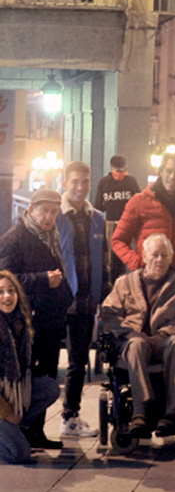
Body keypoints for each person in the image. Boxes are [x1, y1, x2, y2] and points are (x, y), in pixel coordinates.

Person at [99, 234, 175, 438]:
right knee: (137, 344)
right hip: (132, 342)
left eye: (164, 255)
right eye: (155, 255)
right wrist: (129, 331)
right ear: (144, 256)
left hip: (165, 341)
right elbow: (108, 312)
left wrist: (164, 333)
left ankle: (172, 411)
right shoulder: (124, 283)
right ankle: (140, 410)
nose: (159, 260)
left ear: (171, 258)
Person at [0, 188, 74, 450]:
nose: (49, 217)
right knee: (29, 377)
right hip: (28, 325)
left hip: (48, 323)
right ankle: (18, 431)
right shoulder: (15, 239)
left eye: (54, 212)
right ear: (31, 210)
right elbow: (6, 280)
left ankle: (35, 432)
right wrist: (43, 279)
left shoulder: (50, 237)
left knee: (46, 375)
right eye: (44, 211)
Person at [56, 161, 108, 439]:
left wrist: (103, 296)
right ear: (65, 183)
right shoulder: (54, 214)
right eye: (74, 181)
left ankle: (70, 418)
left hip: (86, 302)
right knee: (45, 362)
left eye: (85, 182)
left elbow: (104, 260)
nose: (80, 187)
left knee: (78, 363)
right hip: (57, 302)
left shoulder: (97, 218)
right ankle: (31, 421)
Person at [112, 151, 175, 281]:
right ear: (161, 172)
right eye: (169, 171)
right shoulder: (139, 202)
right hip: (147, 281)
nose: (173, 176)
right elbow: (118, 240)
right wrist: (138, 264)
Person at [0, 271, 61, 463]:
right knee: (19, 454)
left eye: (11, 291)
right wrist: (7, 412)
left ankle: (11, 430)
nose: (7, 296)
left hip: (10, 395)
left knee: (49, 388)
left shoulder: (20, 324)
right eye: (0, 292)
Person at [93, 155, 140, 281]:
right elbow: (139, 202)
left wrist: (110, 206)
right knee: (129, 254)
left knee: (112, 256)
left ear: (111, 166)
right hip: (129, 223)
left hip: (111, 224)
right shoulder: (131, 181)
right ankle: (130, 280)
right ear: (125, 166)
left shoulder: (104, 182)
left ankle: (112, 282)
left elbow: (98, 206)